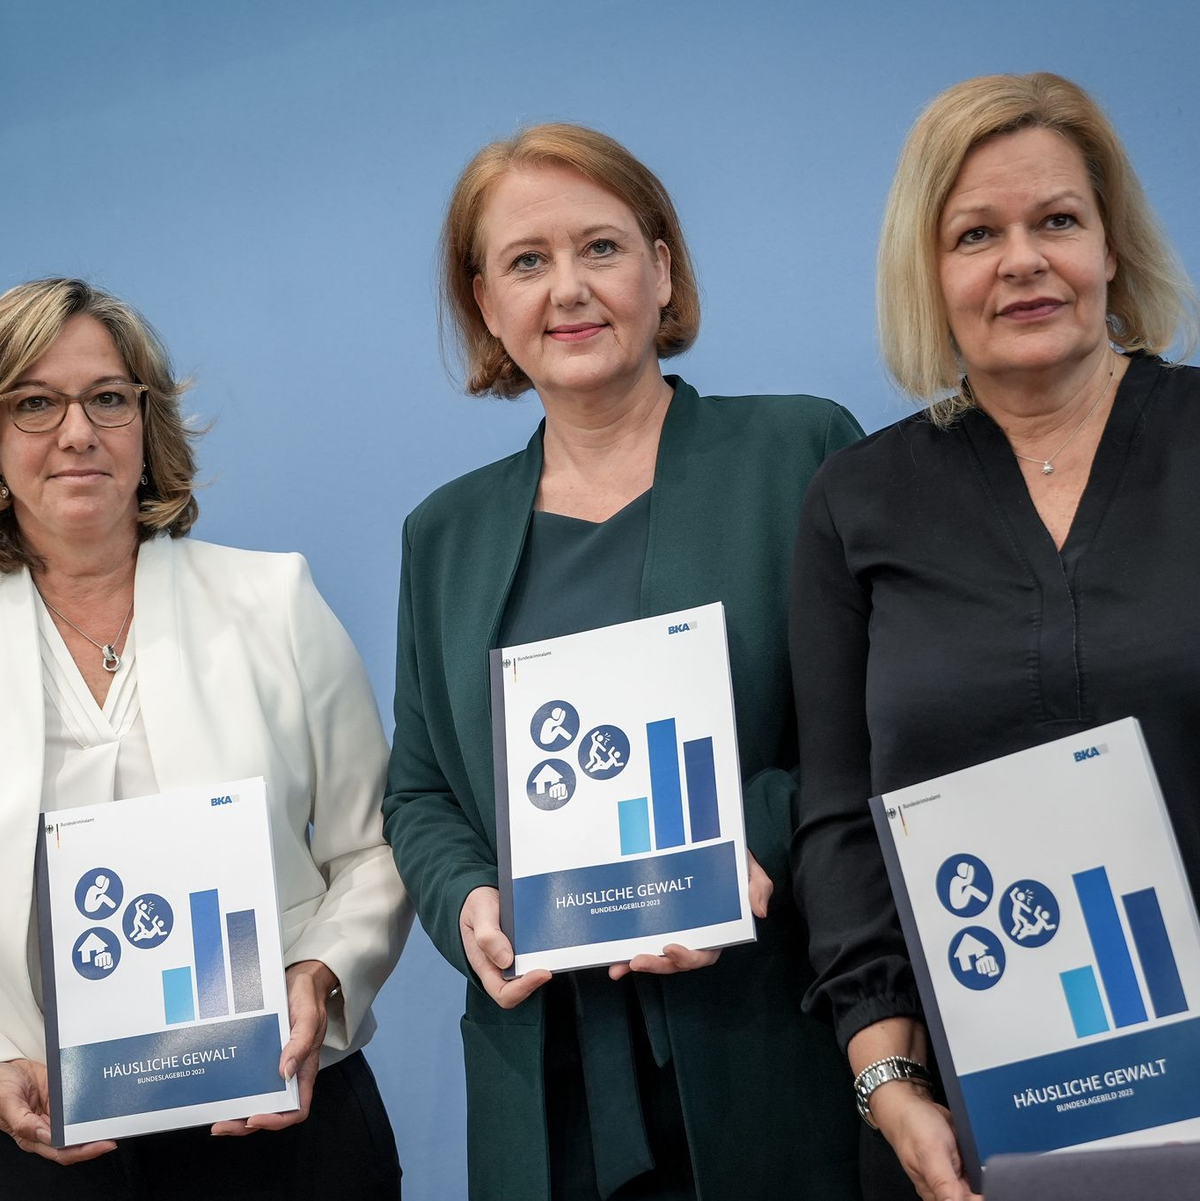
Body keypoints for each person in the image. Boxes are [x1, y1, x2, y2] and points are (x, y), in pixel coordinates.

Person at [383, 123, 863, 1200]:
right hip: (547, 1077)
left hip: (767, 1034)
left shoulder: (800, 452)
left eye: (600, 247)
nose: (569, 289)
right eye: (526, 261)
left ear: (664, 267)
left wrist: (757, 847)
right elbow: (417, 788)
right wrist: (467, 904)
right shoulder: (443, 534)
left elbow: (869, 728)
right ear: (484, 306)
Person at [789, 71, 1199, 1201]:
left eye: (1057, 221)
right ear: (931, 272)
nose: (1022, 260)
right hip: (981, 1126)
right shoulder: (852, 502)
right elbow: (840, 821)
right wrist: (889, 1081)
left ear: (1112, 247)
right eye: (977, 233)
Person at [0, 278, 412, 1199]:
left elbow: (379, 842)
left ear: (147, 427)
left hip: (283, 1117)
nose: (77, 432)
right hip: (39, 1141)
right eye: (33, 402)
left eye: (108, 397)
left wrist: (322, 973)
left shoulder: (273, 602)